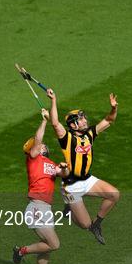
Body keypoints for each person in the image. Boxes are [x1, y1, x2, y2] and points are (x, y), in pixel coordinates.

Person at [47, 88, 120, 245]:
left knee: (114, 195)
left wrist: (114, 108)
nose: (85, 120)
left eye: (84, 118)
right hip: (71, 186)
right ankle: (70, 211)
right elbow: (54, 123)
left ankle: (97, 224)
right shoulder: (67, 138)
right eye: (81, 119)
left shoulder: (89, 134)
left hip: (87, 180)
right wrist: (53, 100)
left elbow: (109, 120)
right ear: (73, 125)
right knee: (83, 224)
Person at [12, 108, 69, 264]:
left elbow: (64, 175)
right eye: (39, 144)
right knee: (54, 244)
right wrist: (44, 120)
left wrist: (64, 167)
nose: (43, 144)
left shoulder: (49, 163)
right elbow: (37, 141)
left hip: (47, 209)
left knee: (47, 247)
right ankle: (21, 251)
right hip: (36, 207)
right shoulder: (33, 159)